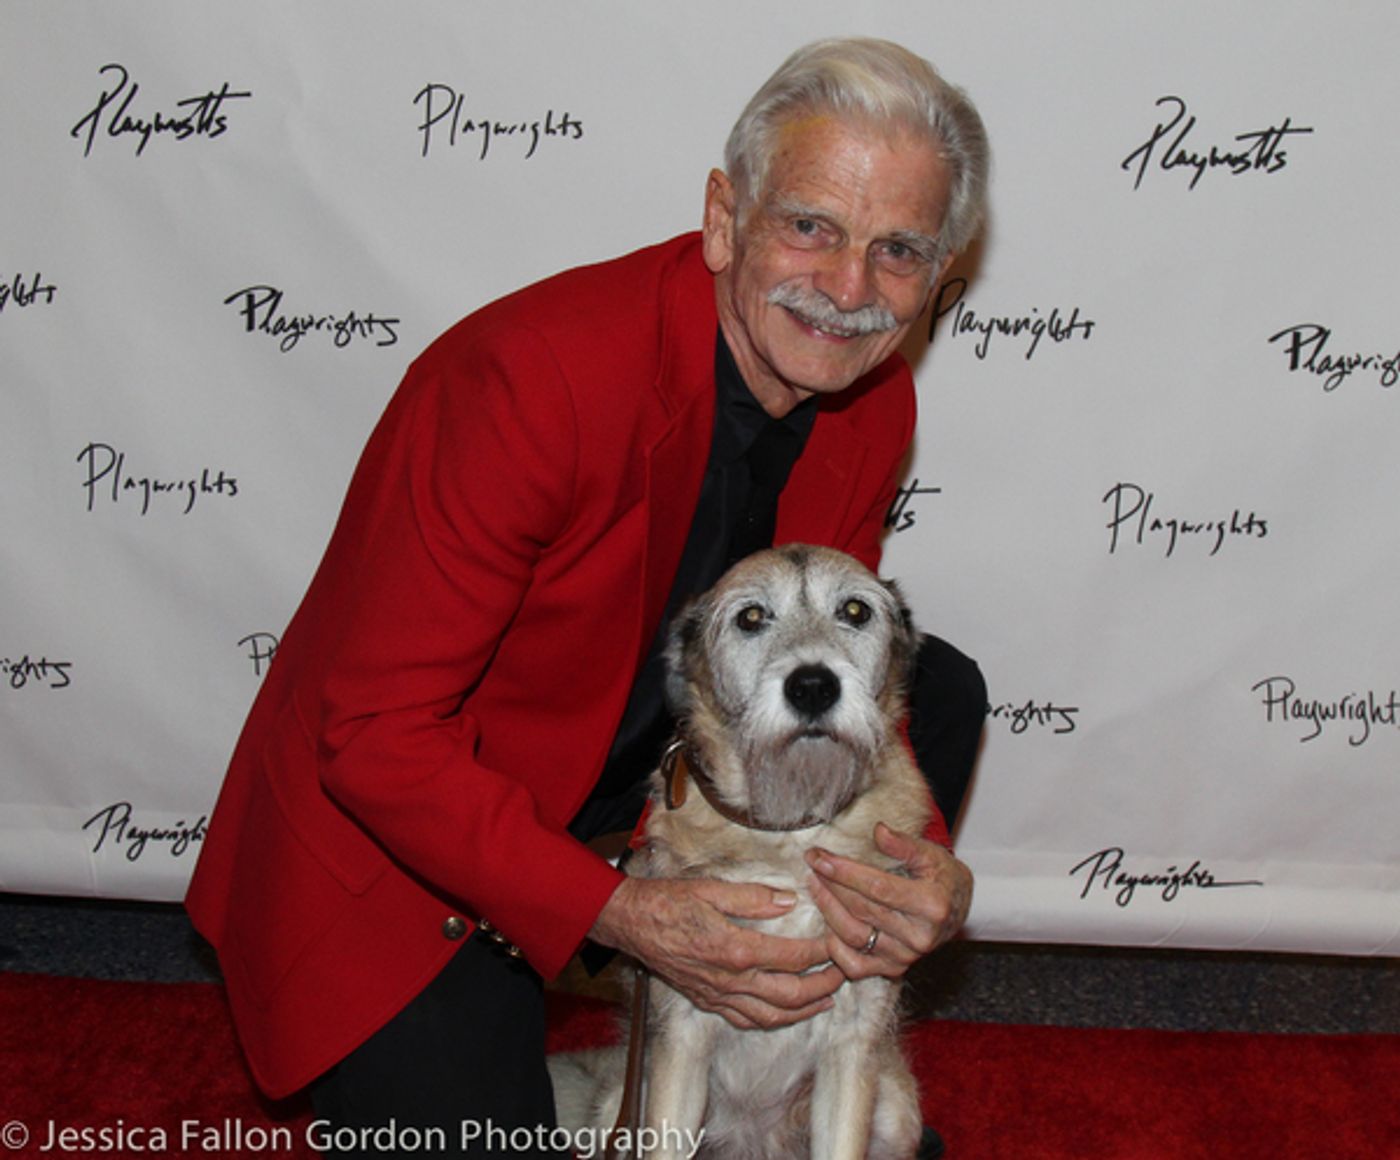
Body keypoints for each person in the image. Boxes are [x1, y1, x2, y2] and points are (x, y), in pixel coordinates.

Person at [186, 35, 990, 1157]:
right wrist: (632, 915)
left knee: (930, 684)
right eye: (809, 225)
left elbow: (822, 682)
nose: (848, 289)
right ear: (723, 219)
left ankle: (764, 1054)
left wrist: (919, 869)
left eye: (896, 250)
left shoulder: (871, 397)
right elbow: (370, 737)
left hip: (630, 777)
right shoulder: (527, 379)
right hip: (409, 841)